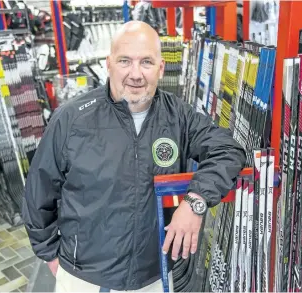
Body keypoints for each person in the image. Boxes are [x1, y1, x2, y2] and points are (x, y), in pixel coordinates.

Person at [22, 21, 246, 292]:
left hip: (153, 278)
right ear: (109, 64)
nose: (136, 74)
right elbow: (38, 193)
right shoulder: (72, 119)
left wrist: (195, 201)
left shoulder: (178, 117)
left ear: (161, 68)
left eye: (147, 62)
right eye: (125, 61)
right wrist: (50, 254)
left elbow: (228, 150)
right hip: (85, 278)